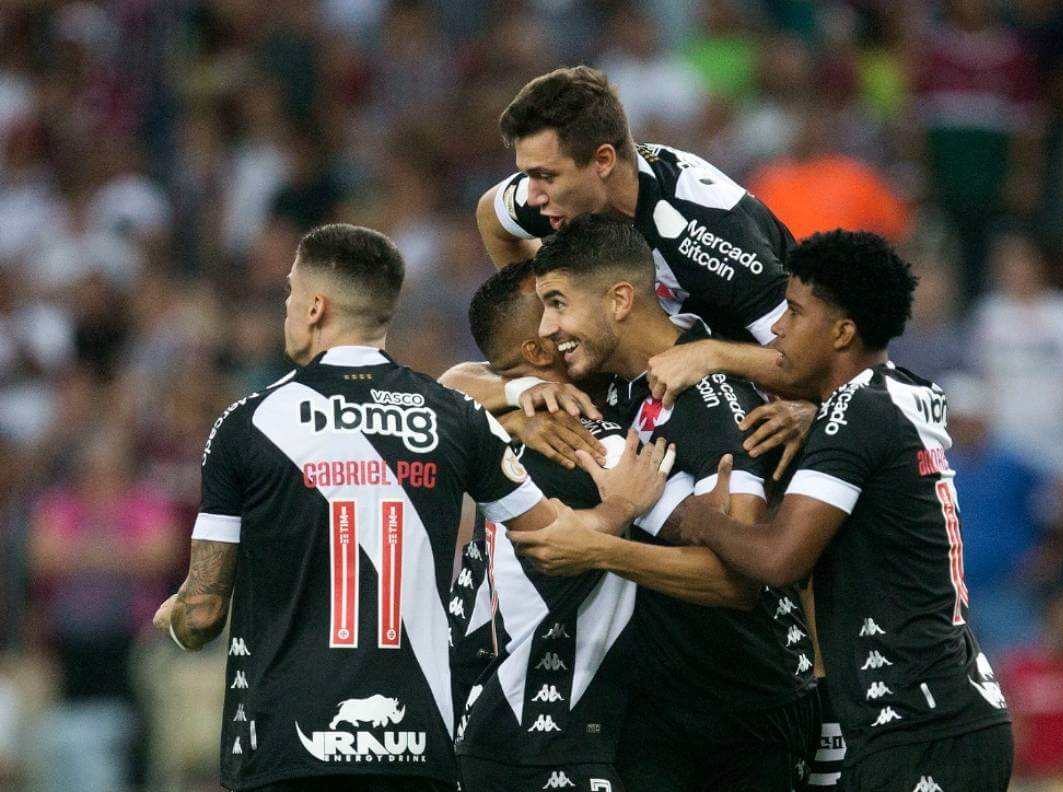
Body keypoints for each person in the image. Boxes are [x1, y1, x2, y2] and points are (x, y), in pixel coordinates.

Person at [150, 224, 674, 792]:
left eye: (290, 296)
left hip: (286, 745)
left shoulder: (247, 425)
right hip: (417, 746)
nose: (287, 310)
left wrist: (176, 621)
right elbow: (552, 541)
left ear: (315, 307)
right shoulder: (453, 418)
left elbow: (202, 613)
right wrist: (618, 508)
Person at [663, 229, 1013, 790]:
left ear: (843, 332)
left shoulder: (855, 413)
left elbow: (780, 559)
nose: (777, 329)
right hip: (941, 714)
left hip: (919, 724)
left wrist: (695, 517)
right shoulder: (903, 391)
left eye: (795, 314)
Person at [509, 215, 819, 792]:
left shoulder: (714, 400)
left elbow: (736, 583)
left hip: (744, 716)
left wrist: (598, 550)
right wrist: (514, 395)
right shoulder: (619, 383)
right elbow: (463, 376)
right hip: (655, 708)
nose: (547, 328)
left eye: (557, 303)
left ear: (621, 299)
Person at [449, 260, 759, 792]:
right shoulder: (599, 445)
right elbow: (726, 565)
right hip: (550, 735)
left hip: (472, 718)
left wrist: (515, 395)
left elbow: (446, 383)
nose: (558, 320)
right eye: (550, 309)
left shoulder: (485, 425)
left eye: (560, 304)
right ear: (537, 350)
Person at [466, 64, 809, 414]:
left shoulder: (707, 231)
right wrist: (560, 316)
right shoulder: (558, 195)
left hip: (742, 402)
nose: (533, 195)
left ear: (603, 160)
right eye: (528, 175)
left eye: (545, 176)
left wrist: (711, 353)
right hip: (652, 383)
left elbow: (803, 363)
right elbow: (490, 216)